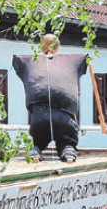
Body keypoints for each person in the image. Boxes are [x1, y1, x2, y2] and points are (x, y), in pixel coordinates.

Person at [12, 33, 89, 163]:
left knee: (38, 138)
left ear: (42, 46)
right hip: (65, 114)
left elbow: (19, 62)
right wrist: (87, 59)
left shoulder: (32, 63)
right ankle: (68, 151)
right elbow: (83, 61)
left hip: (40, 114)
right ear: (57, 47)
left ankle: (35, 150)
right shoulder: (70, 63)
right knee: (66, 140)